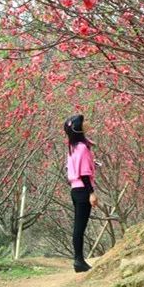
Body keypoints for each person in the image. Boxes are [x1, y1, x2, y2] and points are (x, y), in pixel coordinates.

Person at [64, 114, 98, 273]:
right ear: (78, 128)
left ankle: (79, 259)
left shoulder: (72, 146)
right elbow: (84, 173)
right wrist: (91, 193)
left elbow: (71, 168)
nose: (87, 123)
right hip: (83, 189)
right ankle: (79, 261)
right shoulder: (82, 147)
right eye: (84, 122)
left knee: (78, 226)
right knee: (80, 227)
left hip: (75, 189)